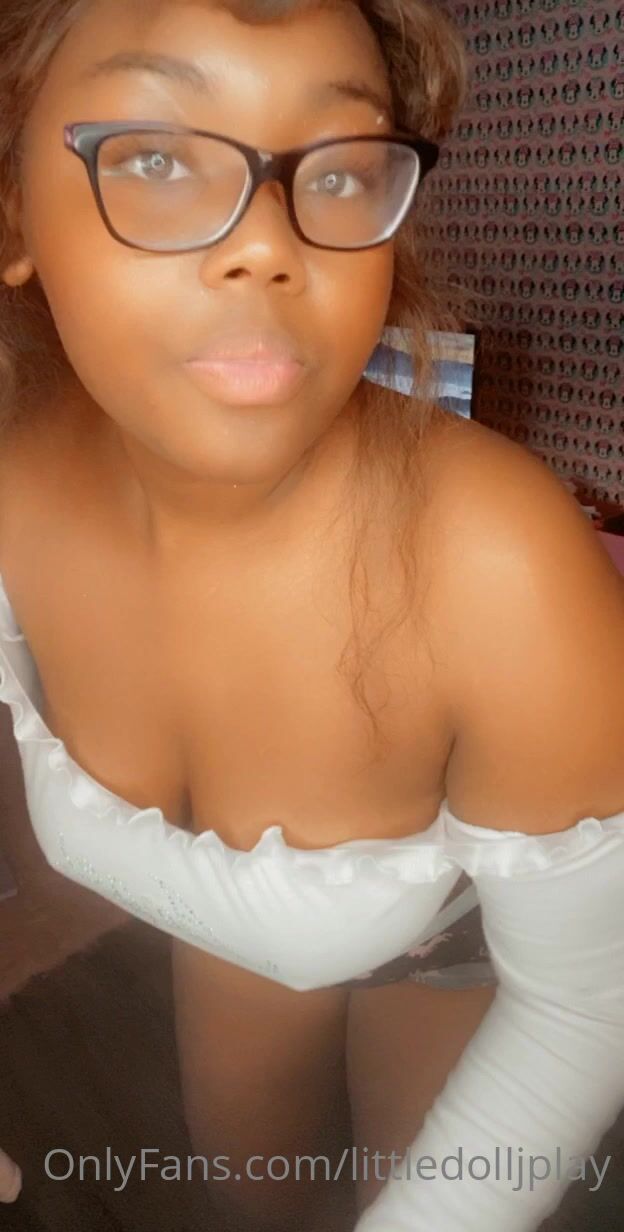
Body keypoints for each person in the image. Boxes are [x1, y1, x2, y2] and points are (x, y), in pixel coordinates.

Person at [0, 1, 623, 1229]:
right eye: (158, 157)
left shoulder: (501, 566)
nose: (266, 247)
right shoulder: (14, 478)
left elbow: (583, 1003)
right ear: (16, 213)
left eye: (335, 172)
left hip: (455, 960)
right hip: (240, 952)